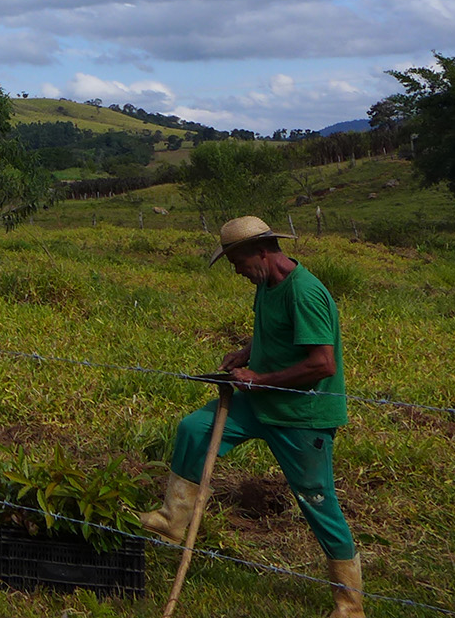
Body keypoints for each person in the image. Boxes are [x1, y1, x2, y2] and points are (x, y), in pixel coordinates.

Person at [139, 216, 362, 617]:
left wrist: (260, 380)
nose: (236, 271)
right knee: (195, 428)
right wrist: (248, 352)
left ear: (261, 251)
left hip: (301, 414)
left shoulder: (305, 292)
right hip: (262, 403)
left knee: (317, 502)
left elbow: (321, 364)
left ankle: (349, 604)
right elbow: (276, 332)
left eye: (236, 261)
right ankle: (174, 519)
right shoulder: (267, 284)